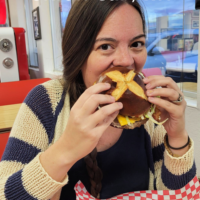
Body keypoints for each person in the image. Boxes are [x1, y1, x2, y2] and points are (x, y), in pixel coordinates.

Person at [0, 0, 196, 199]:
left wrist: (177, 136)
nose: (126, 61)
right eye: (105, 46)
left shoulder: (148, 109)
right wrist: (65, 150)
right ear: (79, 53)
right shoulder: (45, 102)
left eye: (136, 44)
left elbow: (178, 195)